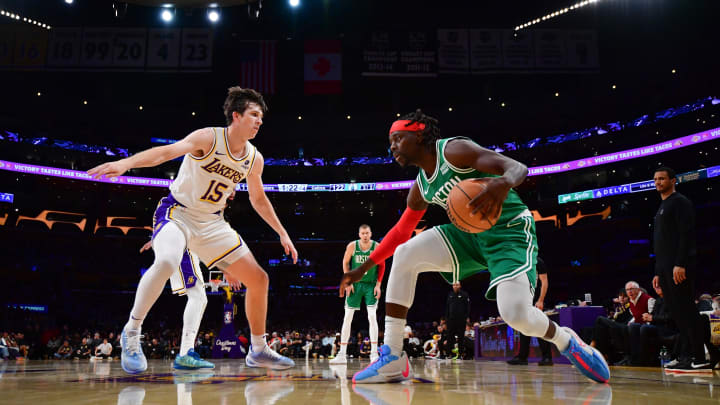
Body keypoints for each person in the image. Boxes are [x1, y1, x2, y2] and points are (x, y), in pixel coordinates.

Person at [341, 110, 609, 383]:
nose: (392, 146)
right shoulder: (421, 187)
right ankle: (394, 356)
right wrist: (362, 267)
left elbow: (518, 168)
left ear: (419, 133)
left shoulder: (455, 151)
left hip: (508, 231)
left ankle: (566, 341)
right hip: (468, 236)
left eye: (398, 138)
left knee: (516, 314)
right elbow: (400, 232)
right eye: (390, 141)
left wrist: (502, 183)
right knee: (405, 253)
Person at [88, 87, 297, 374]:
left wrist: (282, 232)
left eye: (261, 117)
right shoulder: (209, 138)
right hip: (178, 213)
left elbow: (258, 198)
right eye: (254, 115)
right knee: (166, 261)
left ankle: (258, 349)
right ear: (236, 116)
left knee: (259, 279)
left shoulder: (254, 158)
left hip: (213, 222)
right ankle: (132, 331)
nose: (260, 121)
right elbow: (166, 152)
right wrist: (127, 163)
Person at [652, 166, 720, 371]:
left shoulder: (680, 202)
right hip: (664, 268)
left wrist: (680, 263)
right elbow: (660, 244)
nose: (658, 182)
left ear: (673, 181)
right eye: (655, 179)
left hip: (679, 267)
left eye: (662, 179)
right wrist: (657, 271)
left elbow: (686, 235)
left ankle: (701, 356)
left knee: (688, 312)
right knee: (678, 314)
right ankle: (688, 354)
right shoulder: (662, 207)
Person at [330, 225, 386, 364]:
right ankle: (342, 354)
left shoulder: (377, 246)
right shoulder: (352, 246)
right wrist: (347, 282)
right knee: (347, 317)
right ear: (359, 234)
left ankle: (374, 353)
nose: (365, 235)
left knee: (372, 316)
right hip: (355, 284)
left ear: (371, 234)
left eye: (367, 233)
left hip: (370, 284)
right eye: (363, 233)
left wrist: (378, 285)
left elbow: (382, 265)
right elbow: (345, 262)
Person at [508, 257, 553, 366]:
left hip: (537, 300)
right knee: (524, 328)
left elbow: (544, 281)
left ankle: (547, 357)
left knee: (540, 327)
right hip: (525, 300)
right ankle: (522, 357)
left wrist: (541, 300)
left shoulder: (538, 261)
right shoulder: (520, 261)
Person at [444, 281, 470, 360]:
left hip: (461, 320)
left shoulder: (464, 294)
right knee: (450, 337)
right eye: (454, 285)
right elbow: (447, 308)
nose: (455, 286)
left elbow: (468, 307)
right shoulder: (450, 295)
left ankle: (460, 354)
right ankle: (449, 354)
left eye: (457, 285)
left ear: (460, 286)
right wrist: (446, 319)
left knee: (460, 337)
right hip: (451, 320)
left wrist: (466, 317)